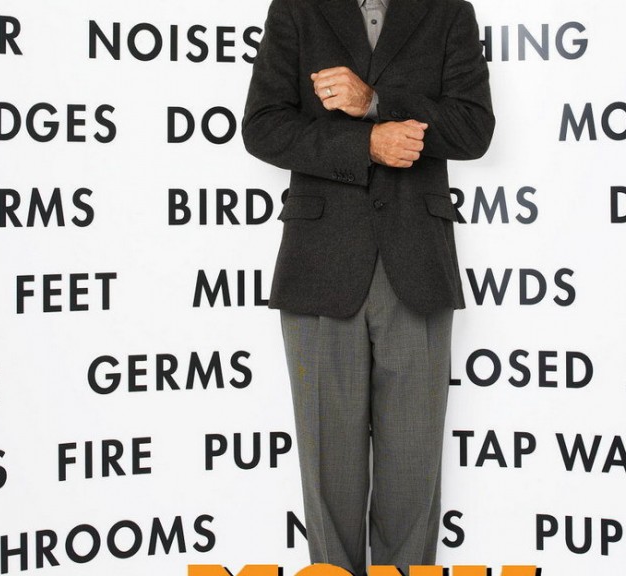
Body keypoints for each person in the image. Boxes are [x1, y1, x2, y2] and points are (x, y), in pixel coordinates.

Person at [241, 0, 493, 571]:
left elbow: (474, 129)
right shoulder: (297, 10)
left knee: (413, 472)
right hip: (320, 264)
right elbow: (262, 127)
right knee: (329, 472)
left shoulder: (449, 11)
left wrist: (376, 103)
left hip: (418, 264)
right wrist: (366, 144)